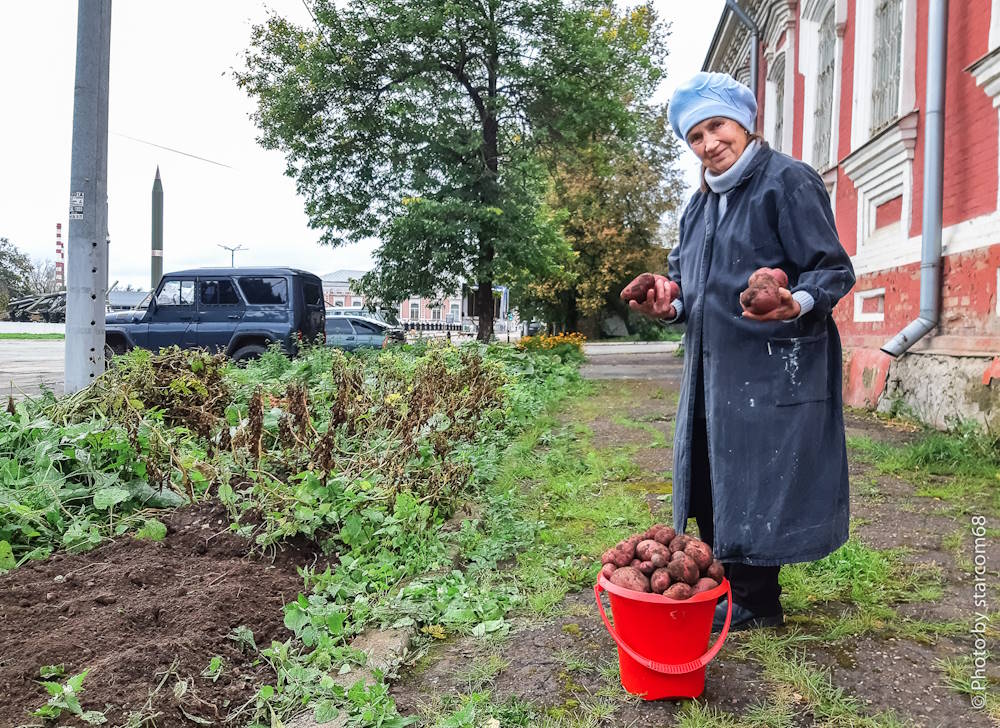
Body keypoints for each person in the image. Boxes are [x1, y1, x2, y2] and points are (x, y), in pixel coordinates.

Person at [623, 72, 856, 632]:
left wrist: (794, 302)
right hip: (711, 370)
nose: (709, 143)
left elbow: (832, 269)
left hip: (772, 367)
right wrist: (667, 304)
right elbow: (687, 288)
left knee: (759, 475)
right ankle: (726, 580)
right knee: (710, 469)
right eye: (695, 136)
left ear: (745, 124)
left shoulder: (787, 182)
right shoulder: (698, 206)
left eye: (717, 126)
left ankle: (757, 600)